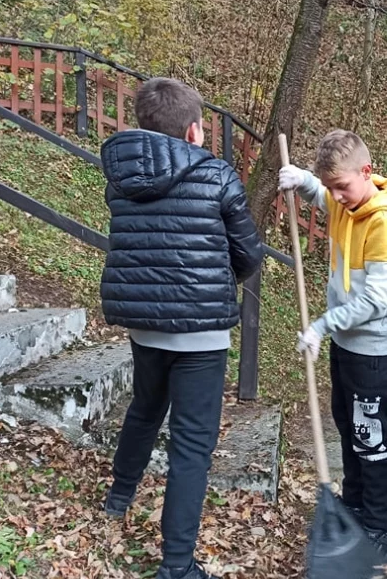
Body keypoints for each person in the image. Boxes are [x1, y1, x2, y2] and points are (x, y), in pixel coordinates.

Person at [99, 78, 263, 579]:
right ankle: (176, 566)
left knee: (145, 410)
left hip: (145, 324)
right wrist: (215, 280)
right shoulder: (217, 175)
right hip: (201, 333)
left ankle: (118, 497)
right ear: (194, 131)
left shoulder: (121, 177)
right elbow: (248, 253)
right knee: (192, 444)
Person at [277, 129, 387, 561]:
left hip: (376, 350)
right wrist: (303, 180)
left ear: (367, 172)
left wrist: (322, 325)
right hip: (347, 344)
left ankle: (377, 527)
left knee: (370, 439)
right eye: (331, 186)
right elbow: (324, 196)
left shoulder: (386, 224)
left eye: (342, 186)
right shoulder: (345, 203)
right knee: (349, 427)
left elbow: (377, 300)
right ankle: (355, 505)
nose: (336, 196)